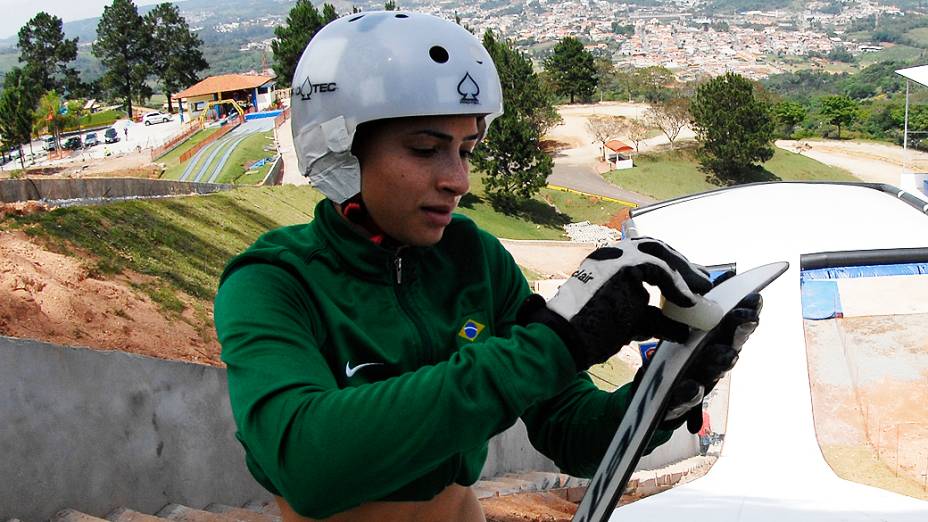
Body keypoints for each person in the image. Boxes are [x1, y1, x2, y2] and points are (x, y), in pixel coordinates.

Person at [214, 11, 762, 521]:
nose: (458, 180)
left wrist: (659, 397)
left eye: (467, 149)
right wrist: (553, 344)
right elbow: (308, 465)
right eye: (426, 149)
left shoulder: (474, 258)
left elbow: (569, 431)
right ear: (339, 151)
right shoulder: (271, 283)